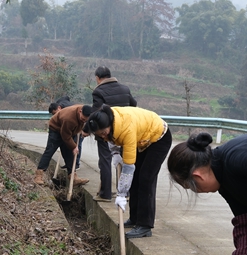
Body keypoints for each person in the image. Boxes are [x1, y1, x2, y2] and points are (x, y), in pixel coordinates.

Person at [84, 104, 171, 238]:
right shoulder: (108, 121)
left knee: (146, 179)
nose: (102, 136)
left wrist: (122, 193)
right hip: (142, 139)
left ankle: (145, 226)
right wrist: (116, 154)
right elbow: (111, 140)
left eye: (103, 133)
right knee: (136, 178)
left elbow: (129, 167)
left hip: (159, 137)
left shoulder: (126, 129)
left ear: (109, 125)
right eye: (99, 135)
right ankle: (135, 219)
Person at [91, 66, 137, 203]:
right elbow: (133, 105)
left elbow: (96, 113)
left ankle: (105, 194)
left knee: (105, 160)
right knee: (125, 160)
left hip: (106, 131)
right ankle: (125, 192)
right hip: (125, 129)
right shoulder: (125, 89)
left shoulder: (98, 91)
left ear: (98, 78)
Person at [34, 104, 92, 186]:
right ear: (80, 112)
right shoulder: (69, 119)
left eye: (85, 120)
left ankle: (73, 177)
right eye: (82, 119)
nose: (83, 121)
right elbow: (65, 136)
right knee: (50, 151)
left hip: (68, 131)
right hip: (56, 129)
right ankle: (38, 175)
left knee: (69, 154)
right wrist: (74, 147)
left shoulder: (85, 111)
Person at [48, 96, 82, 172]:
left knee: (76, 145)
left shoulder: (68, 110)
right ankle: (69, 164)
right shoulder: (61, 109)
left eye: (54, 113)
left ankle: (76, 164)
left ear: (59, 107)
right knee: (69, 146)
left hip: (78, 128)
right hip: (69, 129)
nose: (55, 115)